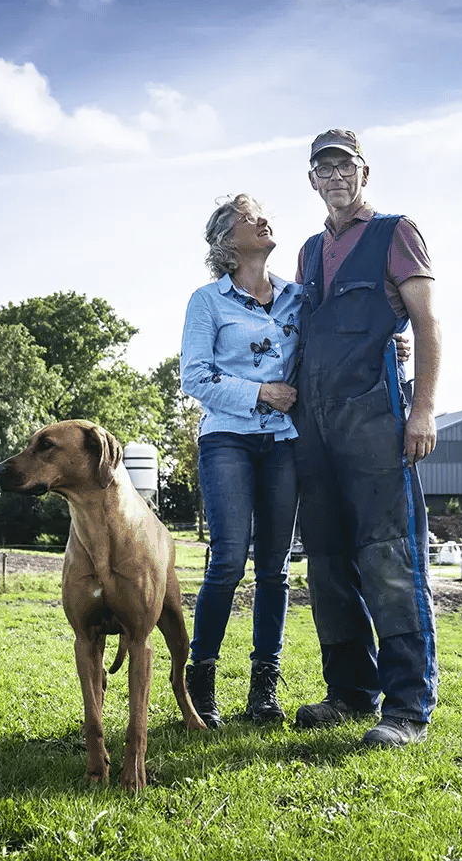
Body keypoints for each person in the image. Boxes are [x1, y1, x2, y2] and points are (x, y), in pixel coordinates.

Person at [291, 128, 442, 749]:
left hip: (377, 420)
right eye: (323, 168)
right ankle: (351, 692)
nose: (335, 177)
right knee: (327, 562)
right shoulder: (305, 250)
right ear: (311, 180)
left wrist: (424, 409)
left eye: (345, 167)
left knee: (389, 556)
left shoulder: (396, 232)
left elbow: (428, 324)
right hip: (315, 428)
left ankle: (407, 708)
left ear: (364, 172)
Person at [178, 194, 301, 728]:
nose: (262, 219)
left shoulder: (300, 298)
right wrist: (261, 393)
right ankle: (199, 686)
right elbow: (195, 379)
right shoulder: (207, 302)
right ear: (228, 244)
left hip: (284, 444)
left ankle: (262, 694)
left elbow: (338, 339)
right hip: (228, 438)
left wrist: (393, 343)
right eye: (249, 217)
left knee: (274, 568)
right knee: (228, 560)